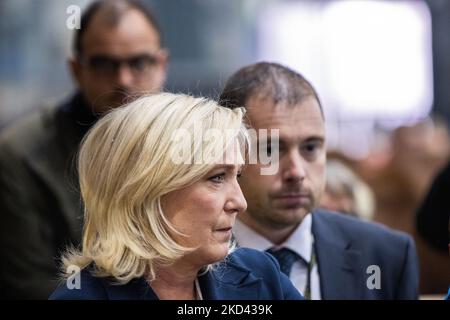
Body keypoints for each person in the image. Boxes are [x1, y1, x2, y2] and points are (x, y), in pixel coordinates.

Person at [50, 93, 303, 300]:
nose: (240, 203)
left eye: (237, 176)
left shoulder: (262, 276)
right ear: (146, 190)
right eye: (217, 177)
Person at [0, 0, 168, 299]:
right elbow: (31, 286)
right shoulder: (22, 156)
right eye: (105, 64)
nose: (123, 80)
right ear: (77, 70)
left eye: (139, 63)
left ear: (161, 65)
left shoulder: (186, 144)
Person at [219, 62, 419, 300]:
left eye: (311, 147)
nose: (297, 171)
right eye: (270, 149)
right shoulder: (189, 264)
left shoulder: (386, 255)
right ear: (229, 153)